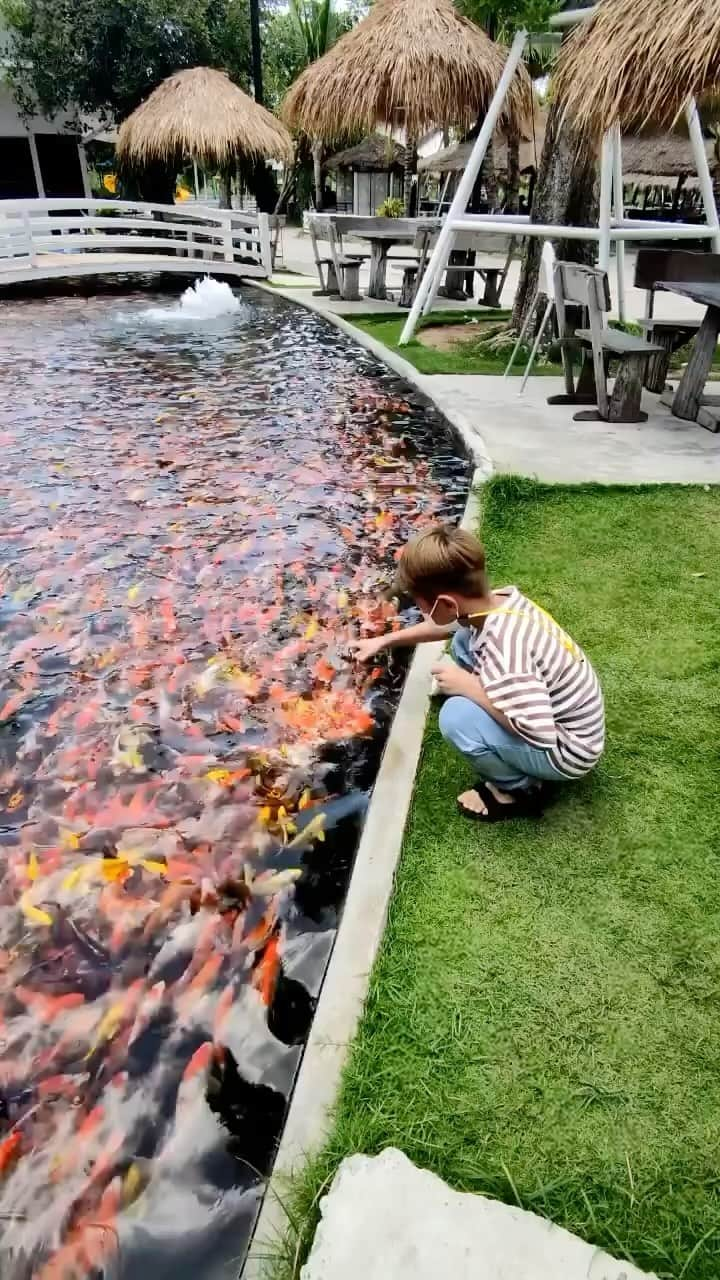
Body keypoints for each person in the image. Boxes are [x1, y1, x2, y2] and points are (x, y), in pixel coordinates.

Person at [351, 525, 604, 822]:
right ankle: (489, 704)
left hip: (567, 751)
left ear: (446, 603)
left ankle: (516, 792)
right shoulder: (498, 603)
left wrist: (469, 686)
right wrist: (384, 640)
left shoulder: (507, 647)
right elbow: (446, 625)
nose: (419, 610)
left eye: (419, 604)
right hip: (559, 716)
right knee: (463, 640)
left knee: (457, 717)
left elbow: (539, 732)